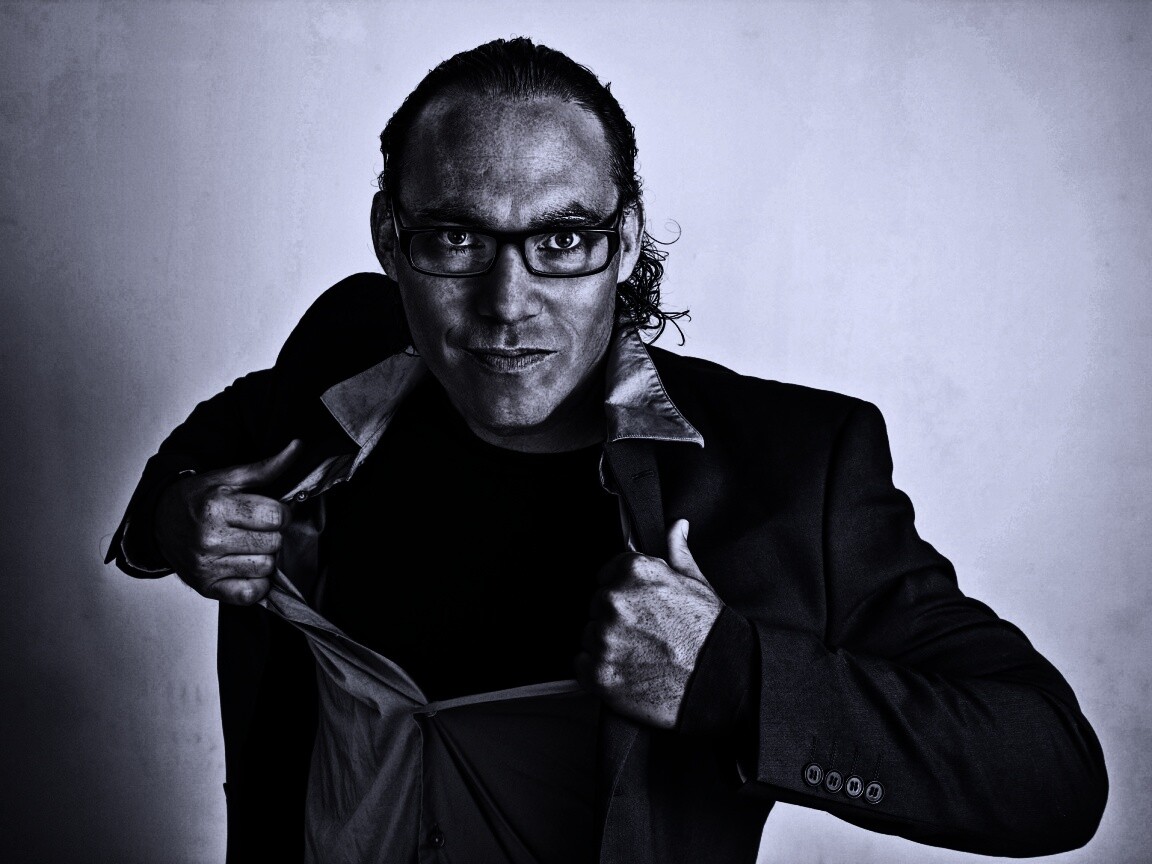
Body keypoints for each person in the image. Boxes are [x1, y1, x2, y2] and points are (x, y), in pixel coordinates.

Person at [108, 38, 1107, 864]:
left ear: (625, 241)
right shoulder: (343, 350)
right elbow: (187, 473)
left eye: (562, 240)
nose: (508, 303)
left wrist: (736, 679)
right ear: (390, 237)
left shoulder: (789, 470)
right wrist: (176, 520)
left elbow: (1052, 776)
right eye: (455, 239)